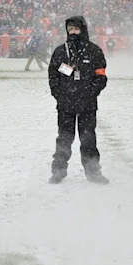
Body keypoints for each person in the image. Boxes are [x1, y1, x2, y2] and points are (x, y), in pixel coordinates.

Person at [47, 16, 108, 185]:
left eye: (76, 29)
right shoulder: (61, 51)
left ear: (83, 29)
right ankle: (58, 172)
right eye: (70, 30)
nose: (73, 32)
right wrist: (59, 94)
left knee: (88, 140)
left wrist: (91, 93)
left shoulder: (94, 51)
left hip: (87, 105)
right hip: (65, 105)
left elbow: (101, 77)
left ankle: (94, 173)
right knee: (64, 139)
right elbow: (53, 75)